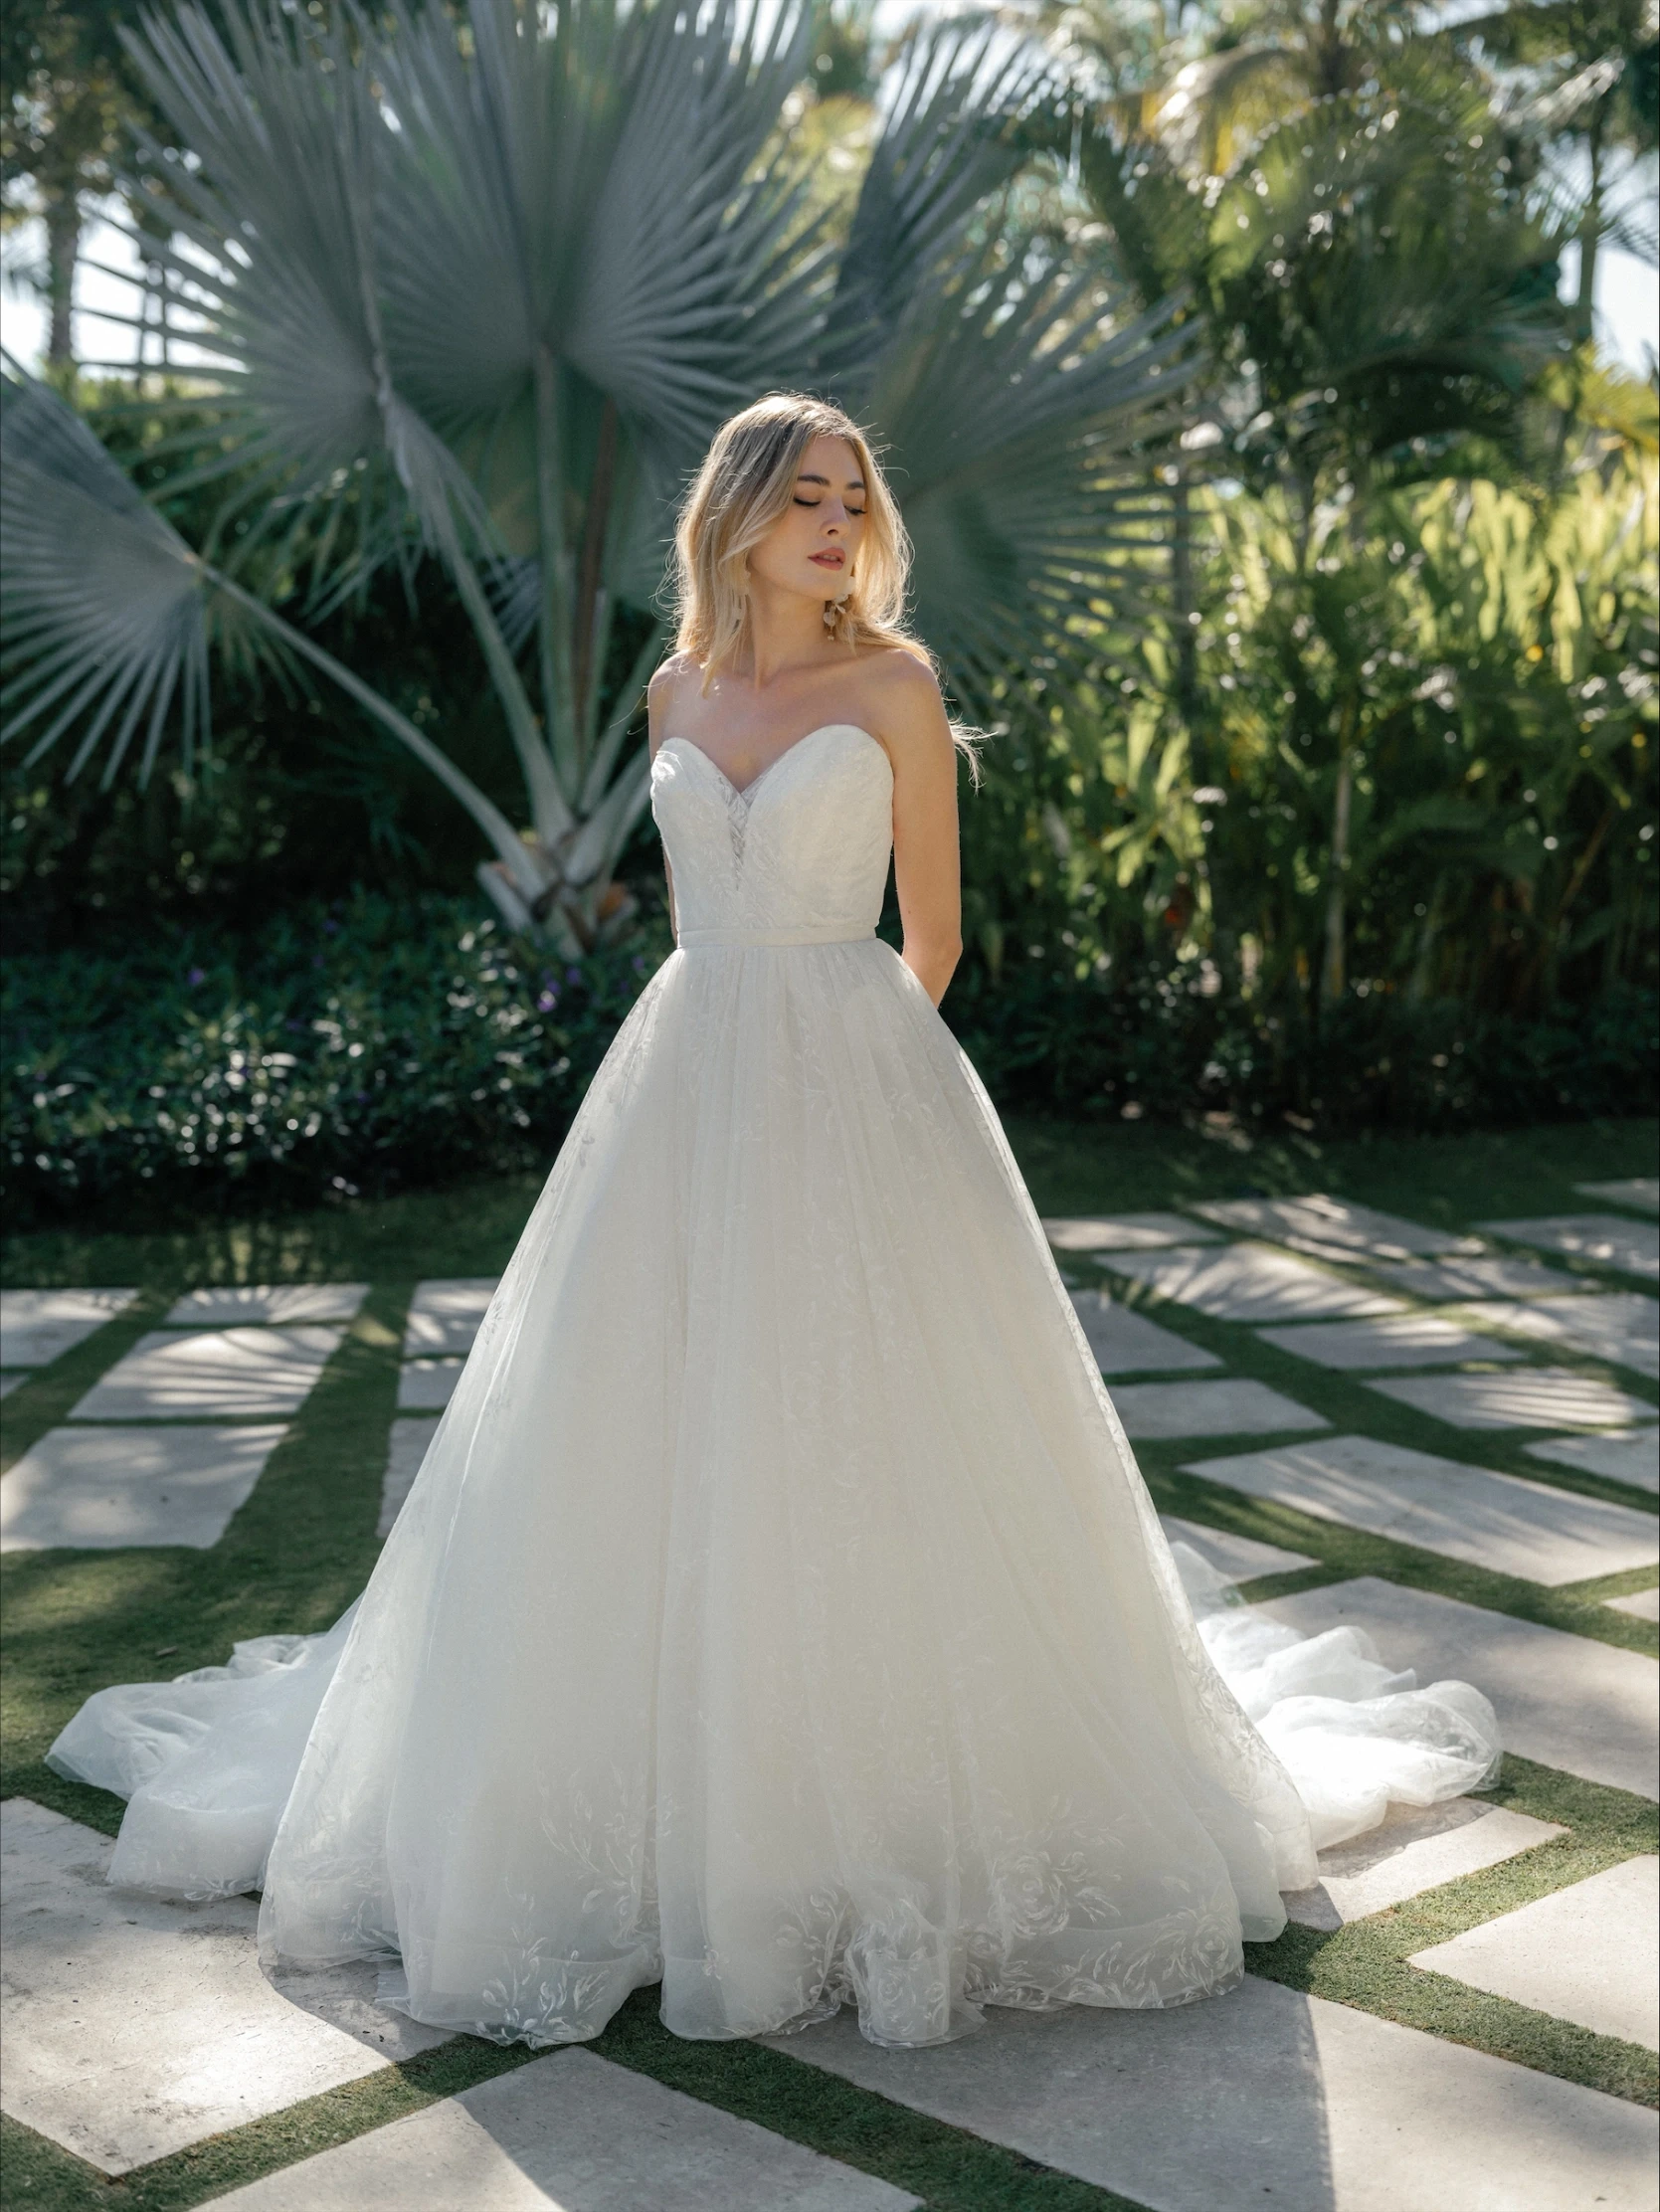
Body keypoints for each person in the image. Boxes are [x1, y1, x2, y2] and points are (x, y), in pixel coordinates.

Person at [49, 392, 1499, 2054]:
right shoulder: (673, 686)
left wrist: (865, 1090)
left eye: (852, 494)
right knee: (637, 1428)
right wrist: (742, 1052)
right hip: (682, 1081)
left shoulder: (895, 682)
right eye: (801, 492)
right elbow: (691, 917)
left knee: (870, 1436)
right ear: (735, 514)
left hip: (856, 1079)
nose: (832, 519)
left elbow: (934, 935)